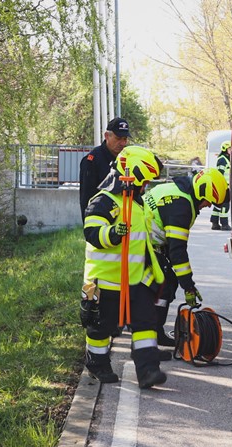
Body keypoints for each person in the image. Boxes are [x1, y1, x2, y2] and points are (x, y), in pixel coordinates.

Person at [81, 145, 168, 389]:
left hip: (134, 280)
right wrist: (113, 233)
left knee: (145, 322)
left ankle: (148, 370)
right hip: (104, 280)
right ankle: (97, 363)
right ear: (133, 176)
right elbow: (92, 233)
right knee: (101, 327)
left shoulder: (137, 204)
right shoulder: (103, 201)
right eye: (145, 181)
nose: (146, 186)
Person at [143, 168, 229, 346]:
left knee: (166, 282)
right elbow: (178, 252)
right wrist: (188, 286)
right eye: (209, 201)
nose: (208, 206)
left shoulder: (179, 191)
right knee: (163, 286)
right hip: (141, 245)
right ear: (202, 192)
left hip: (143, 242)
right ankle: (151, 334)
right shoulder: (181, 206)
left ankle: (150, 329)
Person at [79, 117, 131, 218]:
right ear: (107, 136)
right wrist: (90, 229)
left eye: (125, 139)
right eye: (118, 138)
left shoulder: (127, 159)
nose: (122, 143)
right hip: (101, 219)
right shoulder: (92, 161)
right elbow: (86, 198)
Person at [210, 140, 232, 230]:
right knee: (225, 206)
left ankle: (214, 223)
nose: (231, 150)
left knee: (218, 205)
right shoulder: (223, 159)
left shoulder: (226, 158)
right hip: (224, 186)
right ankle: (224, 224)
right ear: (225, 149)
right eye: (230, 148)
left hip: (225, 185)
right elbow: (220, 173)